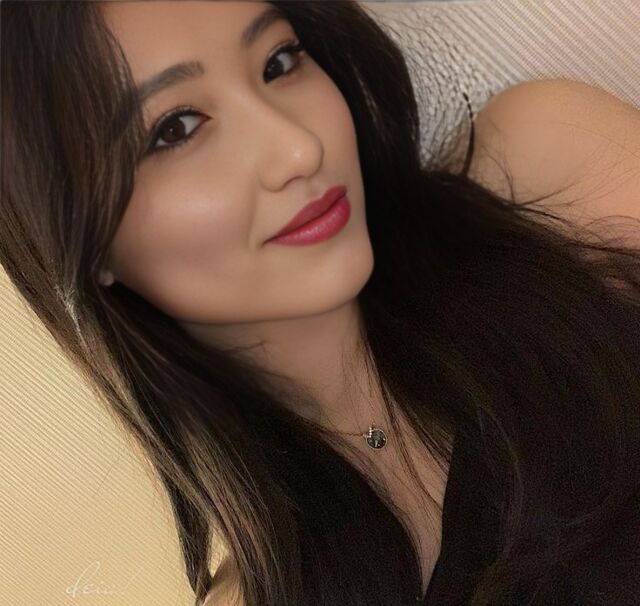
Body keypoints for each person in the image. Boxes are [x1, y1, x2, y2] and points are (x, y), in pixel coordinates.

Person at [2, 1, 640, 604]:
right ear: (82, 243)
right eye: (177, 128)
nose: (299, 149)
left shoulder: (549, 175)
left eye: (279, 63)